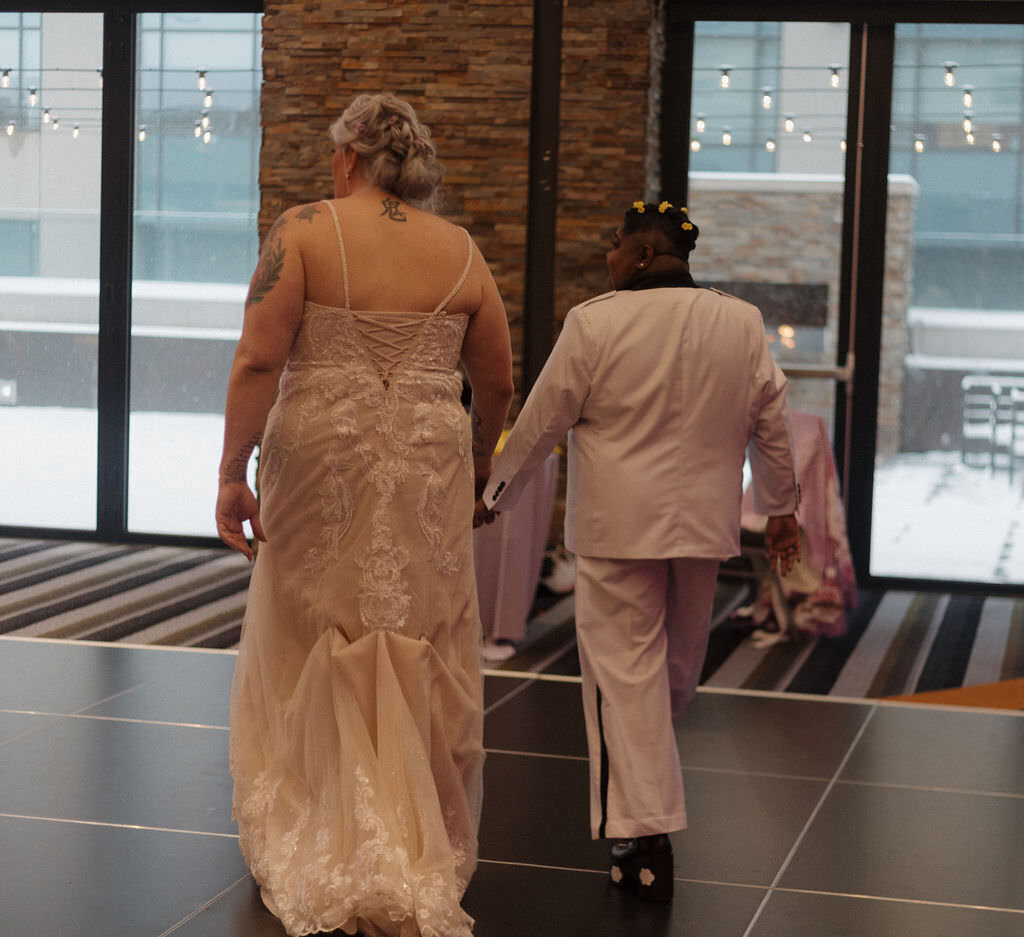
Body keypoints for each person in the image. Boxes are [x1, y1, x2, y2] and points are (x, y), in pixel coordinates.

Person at [216, 92, 514, 937]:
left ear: (349, 156)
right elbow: (495, 377)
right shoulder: (459, 249)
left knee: (312, 617)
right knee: (421, 615)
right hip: (427, 455)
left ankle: (322, 814)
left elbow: (258, 356)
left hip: (323, 453)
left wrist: (233, 472)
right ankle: (414, 821)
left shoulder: (305, 228)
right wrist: (487, 458)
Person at [479, 200, 800, 902]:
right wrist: (781, 508)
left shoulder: (595, 322)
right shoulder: (739, 322)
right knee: (672, 671)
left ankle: (645, 833)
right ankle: (641, 830)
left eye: (616, 245)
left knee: (629, 680)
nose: (609, 257)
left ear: (647, 255)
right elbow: (771, 418)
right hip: (701, 531)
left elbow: (542, 419)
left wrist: (493, 491)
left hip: (617, 531)